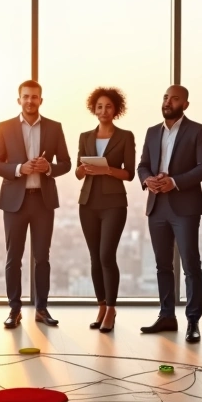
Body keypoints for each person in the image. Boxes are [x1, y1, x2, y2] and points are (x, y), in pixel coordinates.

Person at [0, 80, 71, 329]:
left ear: (40, 100)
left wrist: (49, 168)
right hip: (14, 202)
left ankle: (41, 309)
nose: (30, 101)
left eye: (34, 97)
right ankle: (14, 309)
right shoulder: (5, 127)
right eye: (26, 96)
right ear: (19, 100)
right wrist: (18, 169)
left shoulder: (54, 128)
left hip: (43, 201)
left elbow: (66, 163)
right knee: (13, 258)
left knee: (42, 258)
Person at [137, 85, 202, 343]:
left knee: (190, 265)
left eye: (175, 98)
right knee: (162, 265)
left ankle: (193, 321)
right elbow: (143, 165)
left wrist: (175, 182)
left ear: (185, 104)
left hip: (185, 207)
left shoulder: (199, 131)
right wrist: (147, 179)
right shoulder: (152, 132)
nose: (168, 102)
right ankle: (167, 316)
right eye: (165, 97)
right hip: (156, 205)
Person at [74, 87, 136, 333]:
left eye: (108, 106)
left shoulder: (125, 136)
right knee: (94, 257)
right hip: (88, 203)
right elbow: (78, 172)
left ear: (116, 109)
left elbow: (129, 173)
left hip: (114, 204)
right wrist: (83, 169)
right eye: (99, 106)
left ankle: (111, 308)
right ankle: (101, 305)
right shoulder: (85, 137)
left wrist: (106, 169)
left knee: (106, 256)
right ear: (94, 109)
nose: (103, 110)